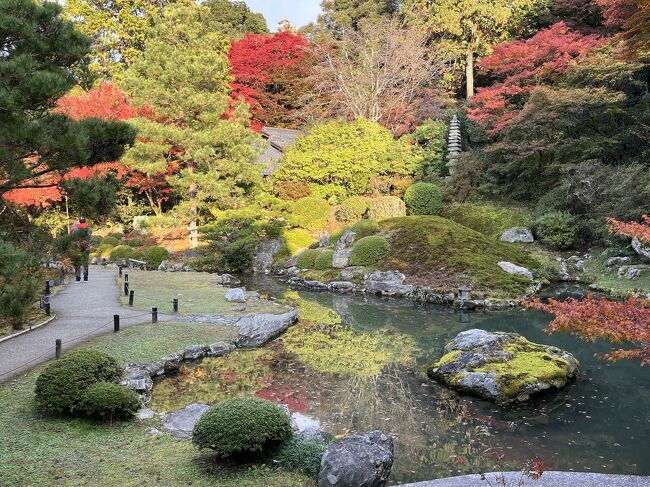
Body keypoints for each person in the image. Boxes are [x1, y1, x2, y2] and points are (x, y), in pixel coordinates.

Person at [69, 216, 92, 282]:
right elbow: (90, 235)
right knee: (85, 263)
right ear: (85, 221)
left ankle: (78, 278)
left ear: (79, 220)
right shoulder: (88, 228)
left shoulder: (75, 228)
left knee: (77, 263)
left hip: (77, 248)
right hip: (86, 248)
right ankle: (85, 278)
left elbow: (70, 233)